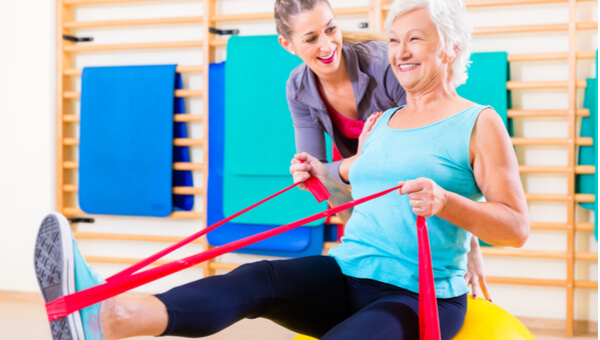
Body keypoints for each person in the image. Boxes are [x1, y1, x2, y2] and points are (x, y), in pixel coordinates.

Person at [34, 0, 529, 339]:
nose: (399, 52)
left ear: (449, 46)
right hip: (348, 270)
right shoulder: (380, 122)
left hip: (419, 298)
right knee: (256, 279)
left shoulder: (478, 122)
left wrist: (449, 207)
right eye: (394, 39)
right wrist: (319, 170)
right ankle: (111, 316)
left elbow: (515, 227)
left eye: (414, 40)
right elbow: (347, 179)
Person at [276, 0, 490, 300]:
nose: (327, 45)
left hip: (411, 166)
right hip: (357, 168)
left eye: (331, 29)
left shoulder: (383, 66)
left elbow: (430, 154)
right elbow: (318, 172)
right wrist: (318, 170)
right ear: (288, 44)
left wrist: (470, 244)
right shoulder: (298, 86)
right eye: (311, 39)